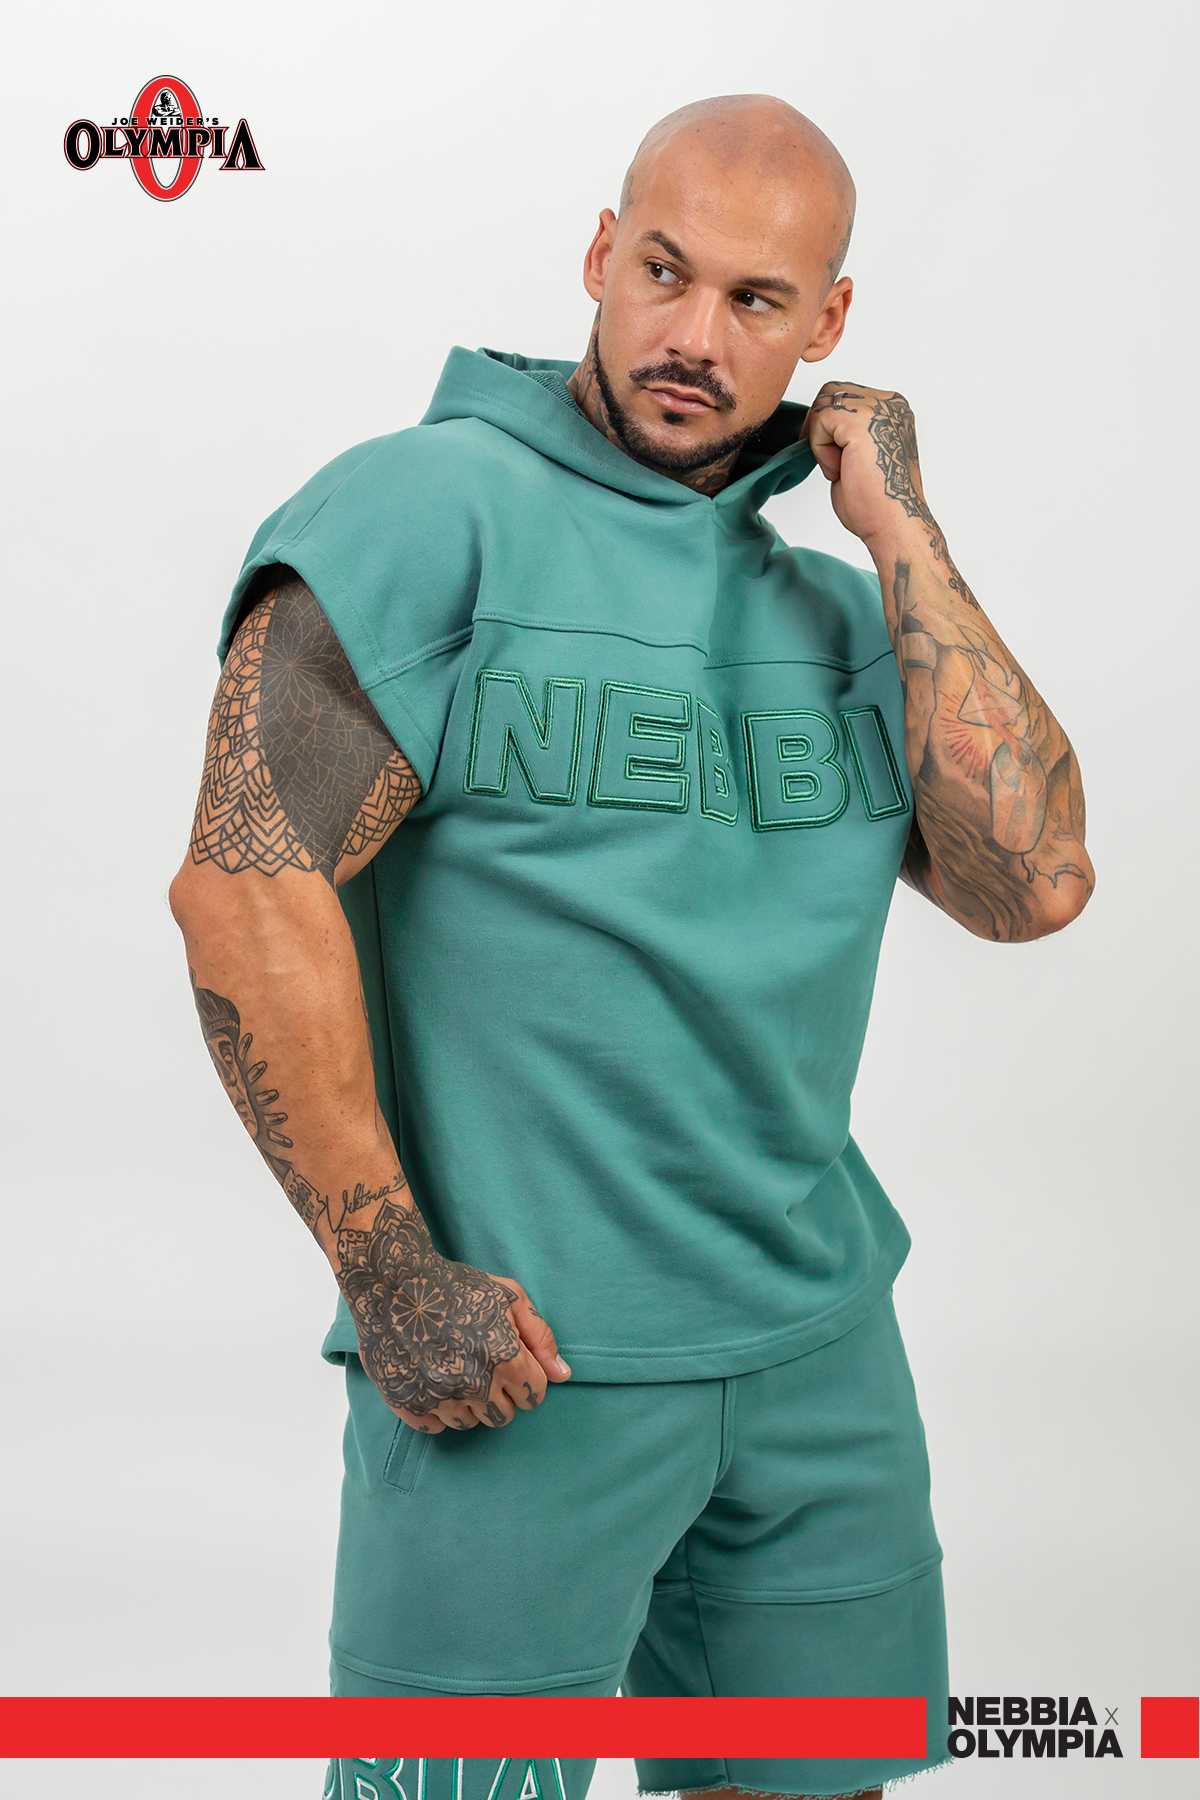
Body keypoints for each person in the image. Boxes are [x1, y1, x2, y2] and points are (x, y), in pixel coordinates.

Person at [168, 91, 1094, 1800]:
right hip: (522, 1362)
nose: (693, 337)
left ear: (829, 323)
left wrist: (902, 530)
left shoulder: (841, 611)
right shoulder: (421, 513)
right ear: (600, 254)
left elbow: (1031, 883)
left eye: (757, 300)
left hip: (816, 1352)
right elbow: (243, 883)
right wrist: (389, 1275)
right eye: (664, 271)